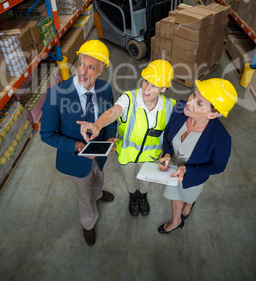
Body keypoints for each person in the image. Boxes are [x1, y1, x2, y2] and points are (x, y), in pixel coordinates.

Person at [40, 40, 117, 246]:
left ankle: (99, 194)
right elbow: (46, 134)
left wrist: (110, 137)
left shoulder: (105, 89)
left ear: (100, 71)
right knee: (84, 194)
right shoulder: (56, 95)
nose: (83, 71)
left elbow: (111, 117)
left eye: (91, 67)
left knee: (98, 177)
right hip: (76, 159)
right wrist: (77, 147)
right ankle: (89, 223)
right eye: (81, 64)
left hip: (100, 152)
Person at [77, 60, 176, 217]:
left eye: (154, 85)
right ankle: (133, 195)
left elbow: (172, 134)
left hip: (150, 158)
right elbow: (114, 112)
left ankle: (142, 196)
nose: (146, 88)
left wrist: (167, 154)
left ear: (164, 88)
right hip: (126, 155)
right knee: (130, 178)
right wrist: (98, 124)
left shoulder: (170, 106)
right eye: (146, 81)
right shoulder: (129, 99)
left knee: (145, 182)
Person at [157, 78, 238, 234]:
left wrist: (188, 170)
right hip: (172, 169)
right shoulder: (180, 109)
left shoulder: (220, 139)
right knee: (175, 195)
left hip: (194, 177)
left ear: (214, 114)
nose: (190, 102)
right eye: (194, 95)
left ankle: (189, 204)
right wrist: (167, 153)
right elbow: (168, 134)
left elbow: (218, 166)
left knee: (188, 196)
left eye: (200, 103)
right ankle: (176, 222)